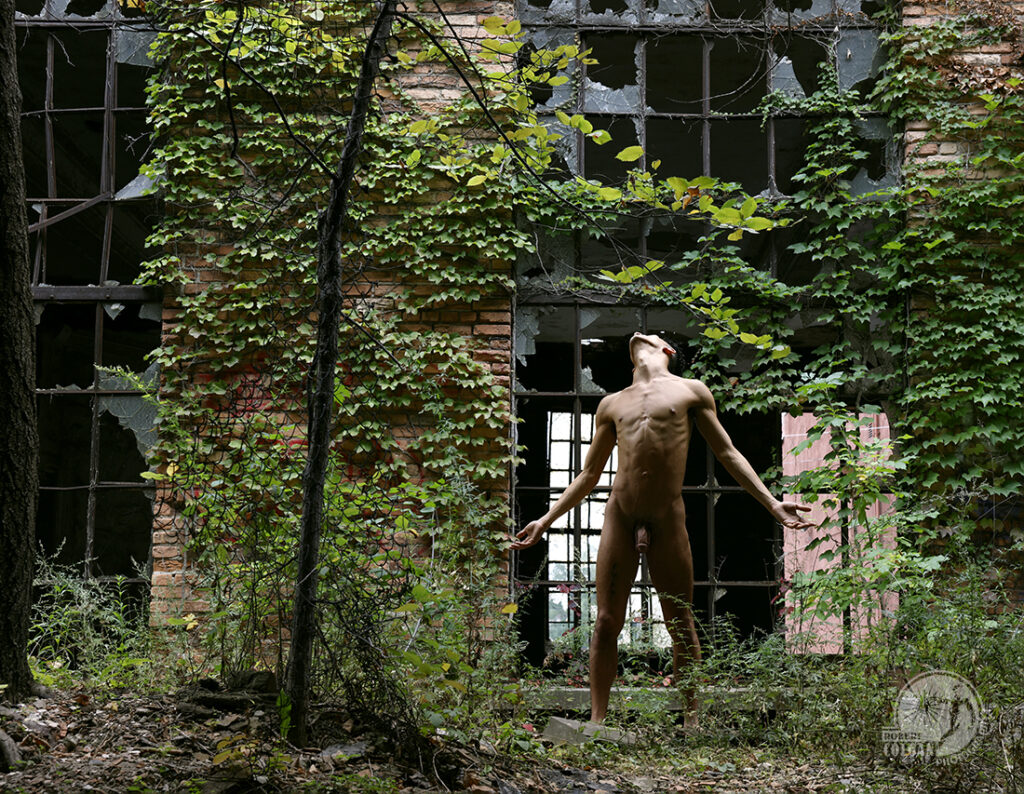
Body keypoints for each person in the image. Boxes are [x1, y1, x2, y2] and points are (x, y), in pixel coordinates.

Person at [511, 332, 814, 728]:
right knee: (605, 621)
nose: (638, 335)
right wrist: (546, 519)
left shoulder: (691, 391)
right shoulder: (612, 403)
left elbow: (727, 452)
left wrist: (772, 502)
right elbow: (588, 474)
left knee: (680, 620)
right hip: (620, 514)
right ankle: (597, 722)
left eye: (651, 336)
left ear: (667, 350)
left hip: (667, 517)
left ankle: (691, 720)